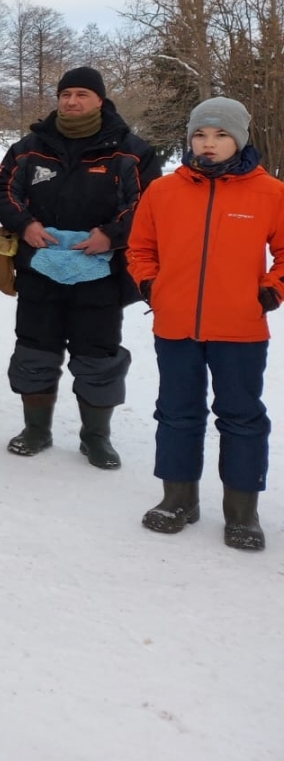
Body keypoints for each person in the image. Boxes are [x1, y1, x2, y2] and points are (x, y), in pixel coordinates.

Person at [127, 97, 284, 551]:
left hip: (240, 328)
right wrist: (152, 286)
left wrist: (270, 290)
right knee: (176, 412)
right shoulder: (163, 192)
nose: (209, 144)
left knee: (241, 416)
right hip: (175, 326)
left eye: (220, 135)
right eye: (200, 134)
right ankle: (177, 500)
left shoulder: (270, 193)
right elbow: (140, 248)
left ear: (239, 139)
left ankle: (242, 512)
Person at [0, 67, 160, 468]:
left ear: (100, 100)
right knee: (35, 350)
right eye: (65, 94)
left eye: (82, 94)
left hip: (101, 276)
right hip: (39, 269)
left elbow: (149, 205)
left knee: (98, 356)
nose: (72, 101)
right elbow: (3, 190)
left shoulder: (130, 151)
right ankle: (36, 429)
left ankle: (96, 436)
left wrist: (112, 235)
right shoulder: (29, 148)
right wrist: (25, 225)